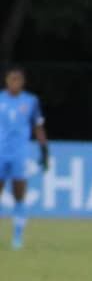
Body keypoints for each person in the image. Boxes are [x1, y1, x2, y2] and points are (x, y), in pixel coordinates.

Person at [0, 66, 50, 250]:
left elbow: (38, 127)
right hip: (0, 152)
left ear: (23, 82)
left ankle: (17, 238)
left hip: (20, 154)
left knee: (19, 194)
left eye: (18, 80)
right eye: (12, 79)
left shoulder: (30, 101)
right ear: (7, 81)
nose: (15, 83)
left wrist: (44, 151)